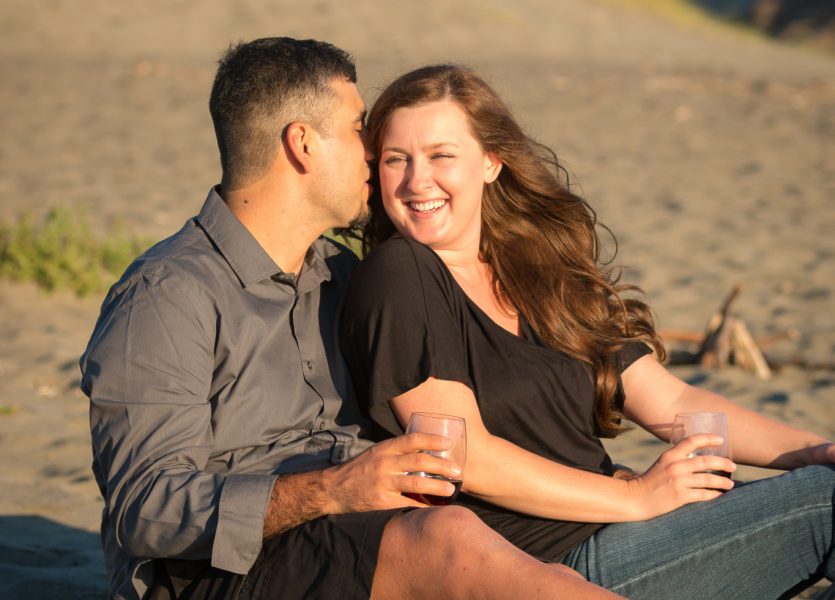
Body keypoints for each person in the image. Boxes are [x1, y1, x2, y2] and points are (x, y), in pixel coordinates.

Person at [79, 39, 623, 600]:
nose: (373, 151)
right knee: (453, 540)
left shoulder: (340, 273)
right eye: (359, 128)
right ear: (302, 144)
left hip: (370, 534)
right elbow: (146, 508)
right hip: (224, 574)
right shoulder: (167, 297)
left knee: (530, 562)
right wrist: (332, 490)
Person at [340, 63, 835, 599]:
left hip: (625, 530)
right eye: (397, 159)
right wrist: (638, 497)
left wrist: (813, 450)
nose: (417, 181)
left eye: (441, 155)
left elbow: (673, 400)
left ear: (490, 161)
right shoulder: (400, 274)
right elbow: (464, 455)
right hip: (550, 565)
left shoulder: (538, 268)